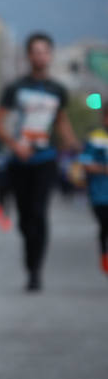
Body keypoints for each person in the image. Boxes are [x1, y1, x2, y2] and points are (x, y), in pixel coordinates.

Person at [0, 32, 79, 292]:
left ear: (50, 55)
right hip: (19, 161)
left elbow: (61, 121)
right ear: (29, 56)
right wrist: (15, 145)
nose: (40, 56)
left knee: (40, 214)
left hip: (45, 159)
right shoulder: (15, 88)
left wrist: (73, 144)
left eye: (45, 51)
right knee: (25, 218)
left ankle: (35, 271)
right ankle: (30, 261)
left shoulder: (58, 90)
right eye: (36, 51)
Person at [79, 106, 108, 276]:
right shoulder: (95, 138)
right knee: (105, 226)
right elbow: (85, 162)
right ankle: (104, 255)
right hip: (100, 194)